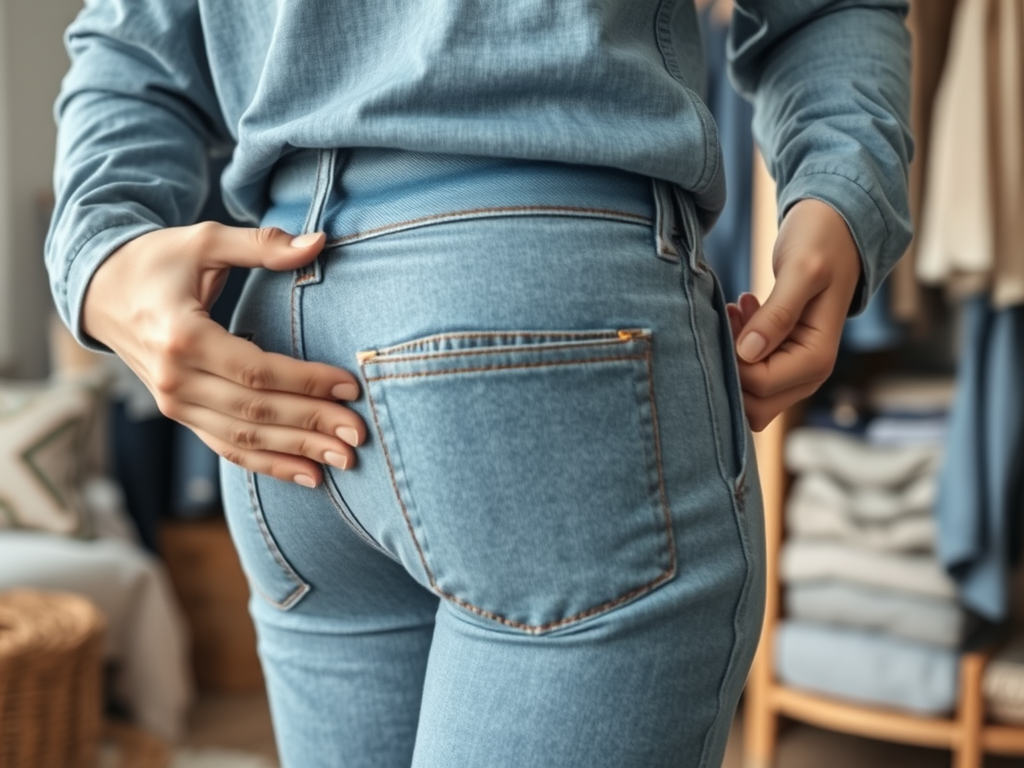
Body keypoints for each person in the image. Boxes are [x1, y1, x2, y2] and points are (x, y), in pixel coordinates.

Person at [46, 1, 912, 766]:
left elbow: (130, 51)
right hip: (551, 331)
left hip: (284, 357)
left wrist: (98, 256)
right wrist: (842, 193)